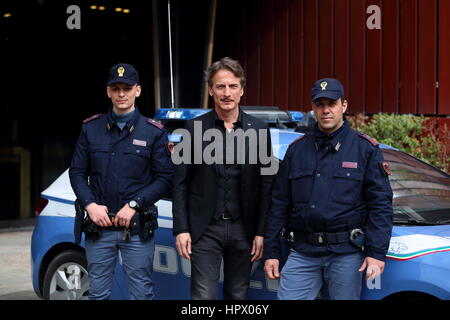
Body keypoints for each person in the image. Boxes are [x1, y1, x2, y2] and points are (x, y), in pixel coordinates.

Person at [263, 78, 393, 300]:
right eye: (320, 104)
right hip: (303, 252)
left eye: (331, 104)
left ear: (344, 106)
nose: (326, 110)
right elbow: (279, 205)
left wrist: (376, 253)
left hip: (346, 254)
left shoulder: (364, 149)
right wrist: (272, 252)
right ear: (313, 108)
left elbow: (380, 204)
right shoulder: (297, 151)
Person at [172, 57, 274, 300]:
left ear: (242, 90)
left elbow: (267, 186)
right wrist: (181, 229)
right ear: (210, 90)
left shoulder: (259, 130)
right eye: (220, 86)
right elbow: (180, 183)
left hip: (244, 229)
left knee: (237, 296)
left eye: (232, 86)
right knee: (203, 297)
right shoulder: (193, 128)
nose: (226, 93)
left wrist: (262, 232)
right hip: (205, 229)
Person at [69, 63, 173, 300]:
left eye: (126, 88)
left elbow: (166, 178)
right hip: (99, 228)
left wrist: (135, 204)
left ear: (138, 90)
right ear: (108, 91)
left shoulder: (153, 132)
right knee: (98, 295)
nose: (121, 94)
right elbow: (76, 172)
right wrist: (90, 205)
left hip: (136, 229)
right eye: (116, 88)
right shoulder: (91, 129)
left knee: (141, 295)